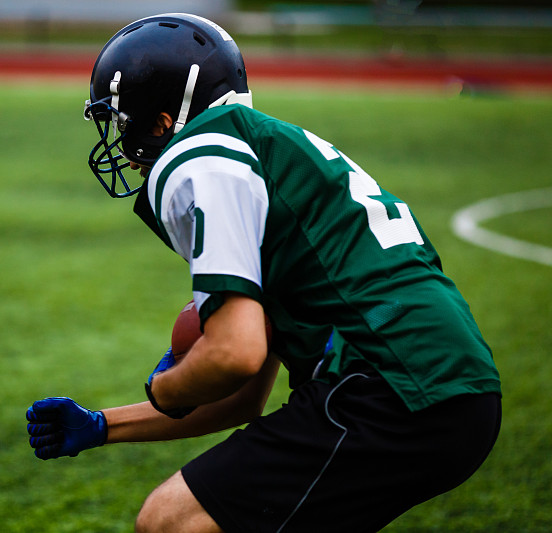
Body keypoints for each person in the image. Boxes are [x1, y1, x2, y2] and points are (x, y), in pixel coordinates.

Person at [25, 13, 502, 533]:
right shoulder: (261, 148)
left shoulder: (199, 155)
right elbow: (247, 394)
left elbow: (233, 353)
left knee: (171, 520)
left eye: (124, 121)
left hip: (390, 383)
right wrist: (102, 426)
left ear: (164, 119)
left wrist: (169, 387)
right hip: (439, 380)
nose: (121, 141)